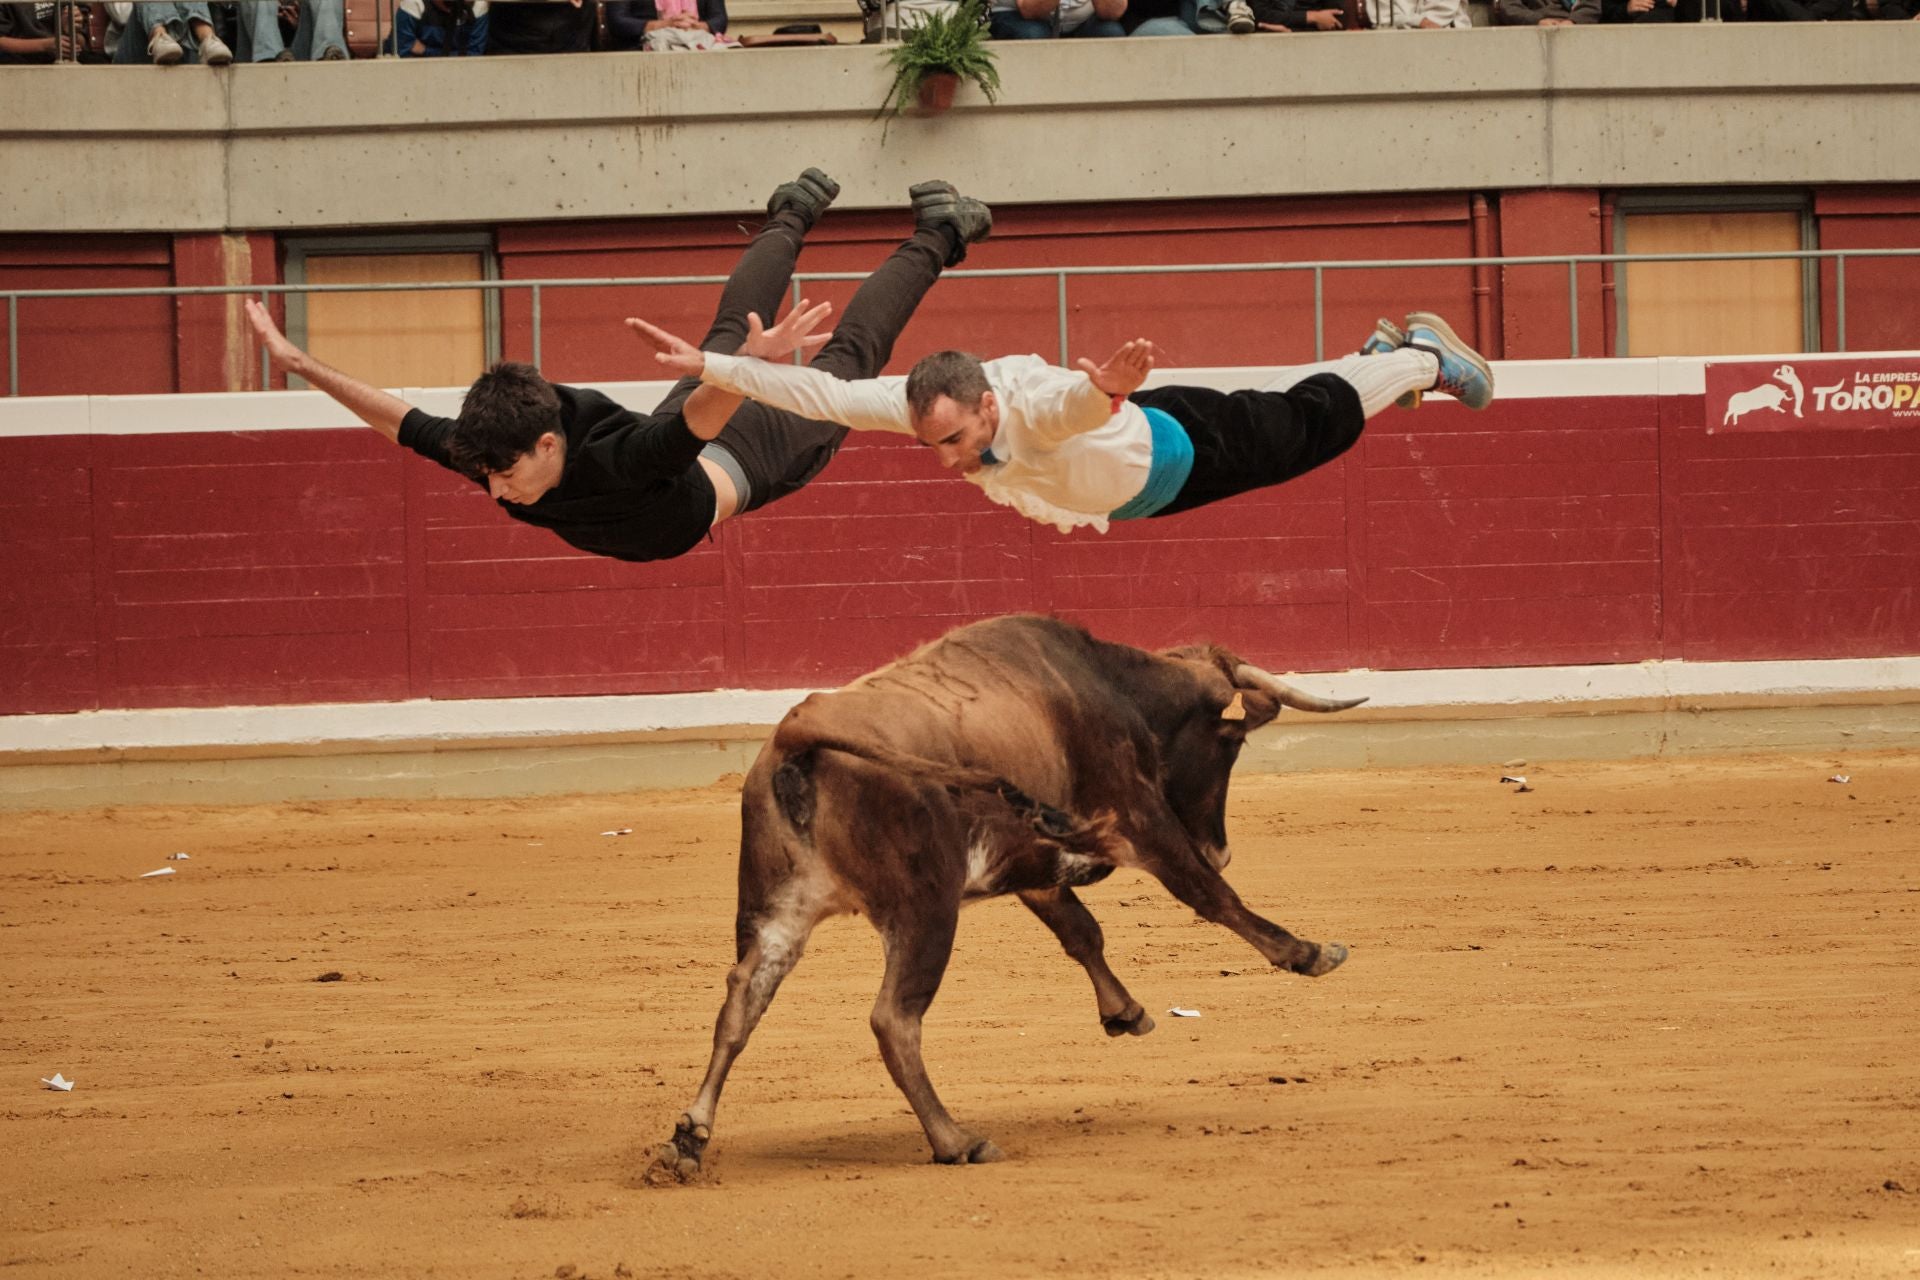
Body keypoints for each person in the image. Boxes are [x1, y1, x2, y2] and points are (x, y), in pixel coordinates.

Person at [241, 171, 992, 563]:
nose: (495, 492)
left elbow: (695, 423)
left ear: (548, 445)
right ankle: (794, 209)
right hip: (694, 430)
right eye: (489, 477)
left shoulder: (624, 459)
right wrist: (300, 361)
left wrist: (745, 373)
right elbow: (402, 422)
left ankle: (939, 232)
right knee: (730, 333)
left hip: (745, 456)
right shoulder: (499, 449)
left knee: (846, 362)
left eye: (504, 476)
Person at [629, 311, 1492, 535]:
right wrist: (712, 366)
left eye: (955, 443)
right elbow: (817, 395)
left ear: (987, 406)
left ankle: (1422, 358)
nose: (946, 460)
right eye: (935, 444)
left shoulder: (1033, 407)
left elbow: (1064, 408)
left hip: (1180, 455)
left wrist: (1103, 391)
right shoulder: (921, 403)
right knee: (1283, 405)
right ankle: (1377, 356)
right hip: (1143, 450)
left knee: (1313, 427)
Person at [110, 0, 233, 63]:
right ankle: (160, 36)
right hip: (138, 47)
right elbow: (122, 16)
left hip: (189, 48)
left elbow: (228, 5)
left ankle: (208, 39)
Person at [237, 0, 349, 60]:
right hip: (256, 53)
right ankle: (269, 59)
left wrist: (303, 19)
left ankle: (328, 55)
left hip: (309, 49)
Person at [989, 0, 1128, 38]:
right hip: (1016, 15)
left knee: (1111, 32)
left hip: (1080, 20)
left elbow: (1113, 12)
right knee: (1035, 34)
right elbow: (1029, 9)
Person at [394, 0, 488, 55]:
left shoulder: (477, 5)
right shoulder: (414, 3)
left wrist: (425, 50)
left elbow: (474, 55)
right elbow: (402, 52)